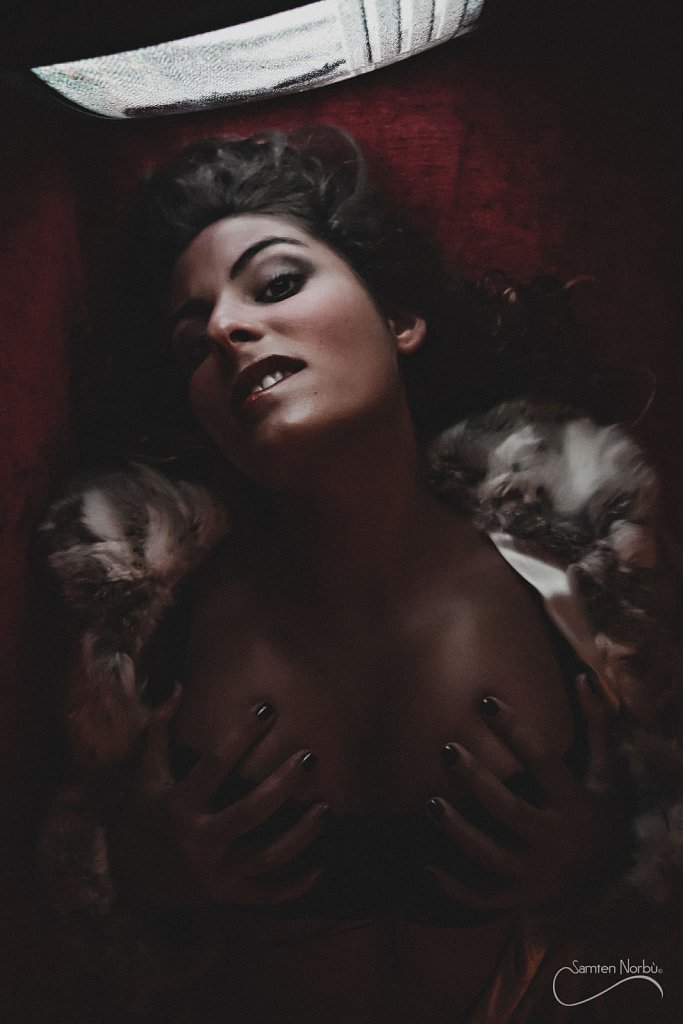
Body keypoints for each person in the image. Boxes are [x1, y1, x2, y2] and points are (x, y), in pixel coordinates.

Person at [39, 127, 682, 1024]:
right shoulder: (145, 619)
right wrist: (137, 874)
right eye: (191, 342)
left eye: (276, 284)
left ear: (399, 319)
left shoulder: (586, 576)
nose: (224, 328)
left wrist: (608, 856)